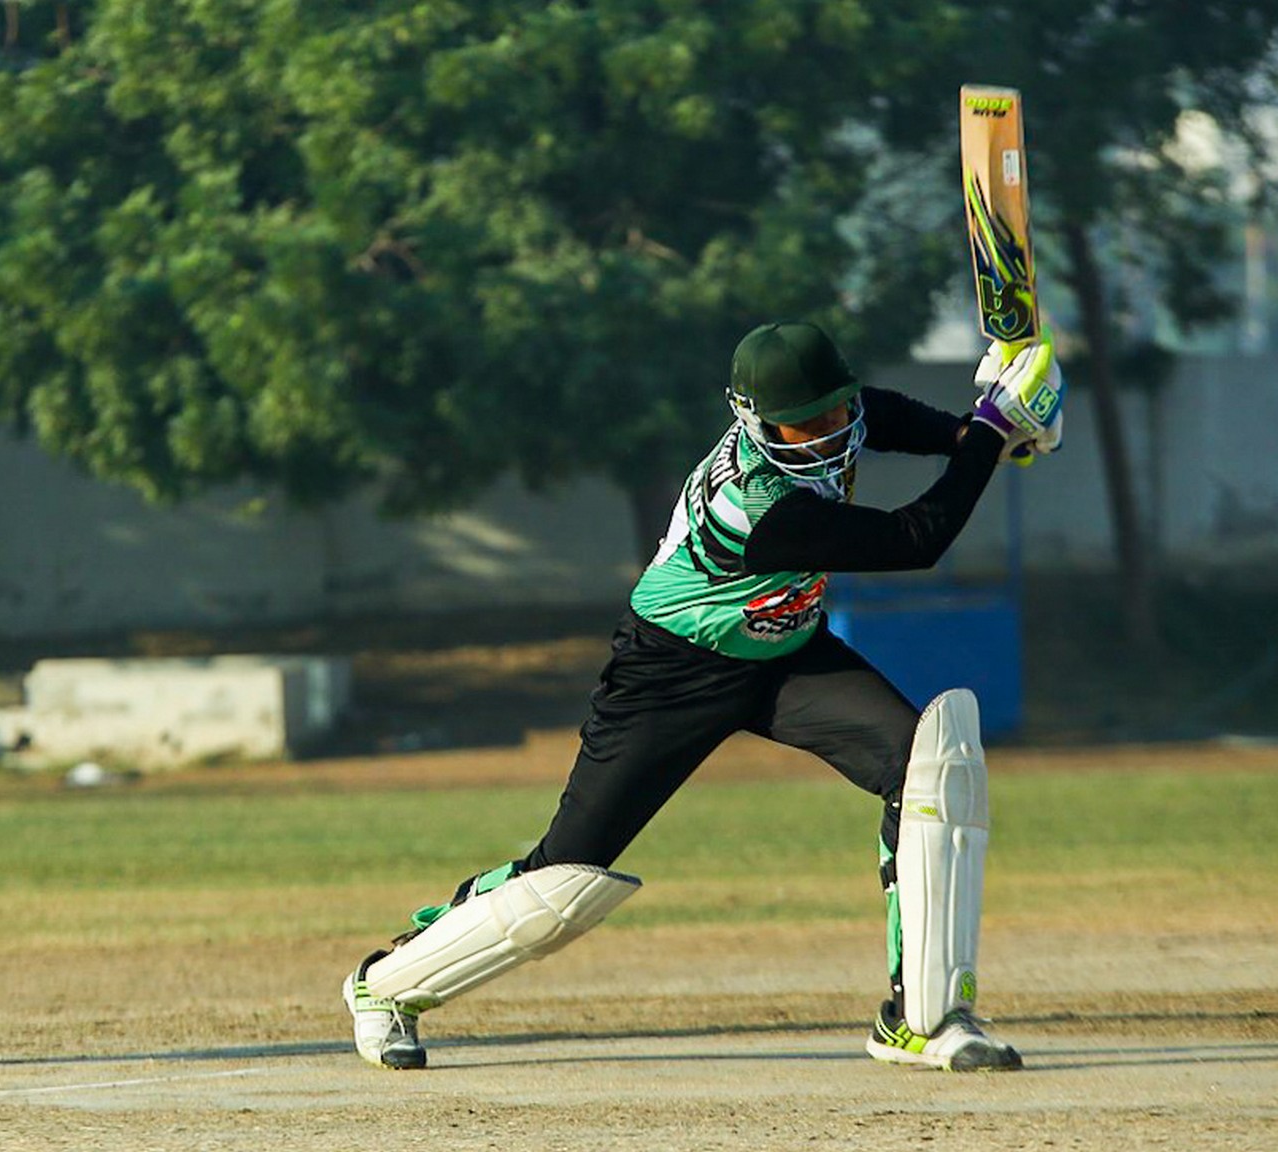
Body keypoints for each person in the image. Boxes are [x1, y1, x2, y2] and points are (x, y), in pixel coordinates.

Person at [343, 320, 1063, 1072]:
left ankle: (922, 1019)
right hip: (672, 672)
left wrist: (973, 430)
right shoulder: (756, 504)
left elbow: (882, 415)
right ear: (755, 421)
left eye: (835, 411)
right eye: (805, 422)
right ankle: (384, 986)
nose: (827, 434)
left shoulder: (842, 417)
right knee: (563, 881)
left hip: (787, 653)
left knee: (930, 769)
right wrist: (991, 433)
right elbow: (915, 541)